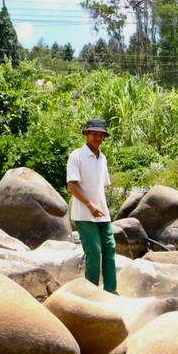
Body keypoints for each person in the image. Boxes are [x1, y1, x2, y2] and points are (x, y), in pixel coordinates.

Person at [66, 117, 117, 293]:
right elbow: (71, 185)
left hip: (102, 213)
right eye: (93, 134)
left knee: (110, 250)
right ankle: (91, 292)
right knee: (94, 252)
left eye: (100, 135)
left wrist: (101, 206)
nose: (97, 138)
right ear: (86, 134)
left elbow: (102, 187)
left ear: (104, 137)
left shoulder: (102, 158)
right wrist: (89, 205)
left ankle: (111, 289)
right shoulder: (77, 156)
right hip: (83, 213)